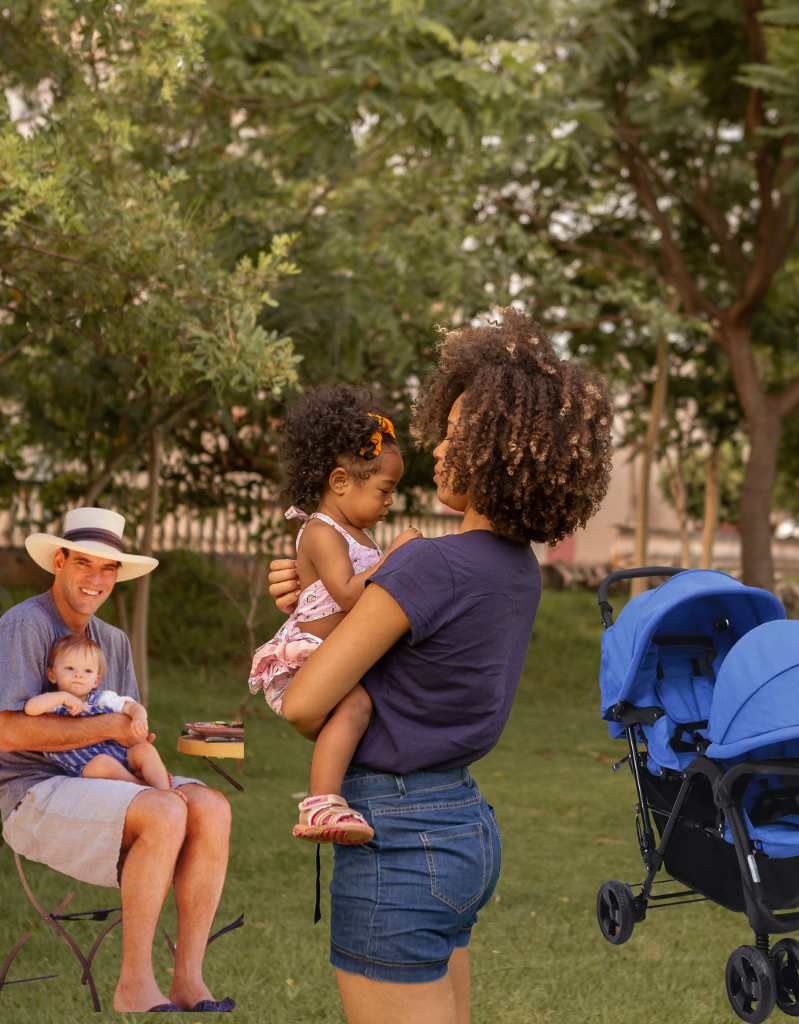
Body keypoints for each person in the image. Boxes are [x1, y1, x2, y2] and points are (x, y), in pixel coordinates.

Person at [268, 308, 613, 1024]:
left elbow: (305, 704)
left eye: (456, 437)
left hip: (398, 833)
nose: (440, 453)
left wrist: (319, 619)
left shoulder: (428, 564)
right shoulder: (518, 571)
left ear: (497, 450)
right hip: (461, 827)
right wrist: (314, 602)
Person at [0, 507, 235, 1013]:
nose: (97, 579)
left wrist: (143, 751)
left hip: (108, 777)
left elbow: (125, 731)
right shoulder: (24, 625)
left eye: (109, 568)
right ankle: (134, 984)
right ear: (58, 561)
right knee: (165, 809)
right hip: (30, 790)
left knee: (212, 806)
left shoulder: (114, 641)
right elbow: (6, 731)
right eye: (85, 562)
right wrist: (108, 729)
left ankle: (189, 982)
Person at [247, 384, 421, 844]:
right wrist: (397, 556)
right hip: (315, 653)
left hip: (341, 653)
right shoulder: (321, 532)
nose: (389, 502)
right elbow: (348, 595)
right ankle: (320, 802)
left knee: (363, 708)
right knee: (356, 705)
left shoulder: (357, 534)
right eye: (385, 490)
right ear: (341, 481)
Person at [26, 633, 184, 802]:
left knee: (145, 751)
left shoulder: (102, 698)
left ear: (96, 680)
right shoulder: (53, 703)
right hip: (85, 767)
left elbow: (131, 706)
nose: (78, 675)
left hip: (119, 754)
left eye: (87, 670)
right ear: (52, 674)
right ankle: (144, 786)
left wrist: (139, 717)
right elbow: (30, 708)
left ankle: (164, 790)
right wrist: (63, 697)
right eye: (69, 668)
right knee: (102, 763)